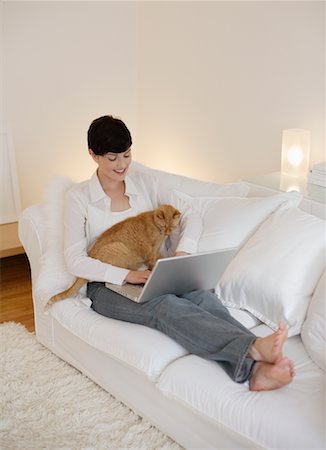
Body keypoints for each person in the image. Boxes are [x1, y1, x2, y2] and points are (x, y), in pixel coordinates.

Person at [63, 115, 295, 391]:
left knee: (200, 296)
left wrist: (183, 253)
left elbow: (192, 212)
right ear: (93, 155)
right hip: (107, 286)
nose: (122, 165)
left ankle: (256, 367)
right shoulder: (77, 198)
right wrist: (129, 274)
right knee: (166, 307)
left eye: (127, 155)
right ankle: (253, 354)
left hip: (155, 273)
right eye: (113, 158)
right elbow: (74, 259)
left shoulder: (146, 183)